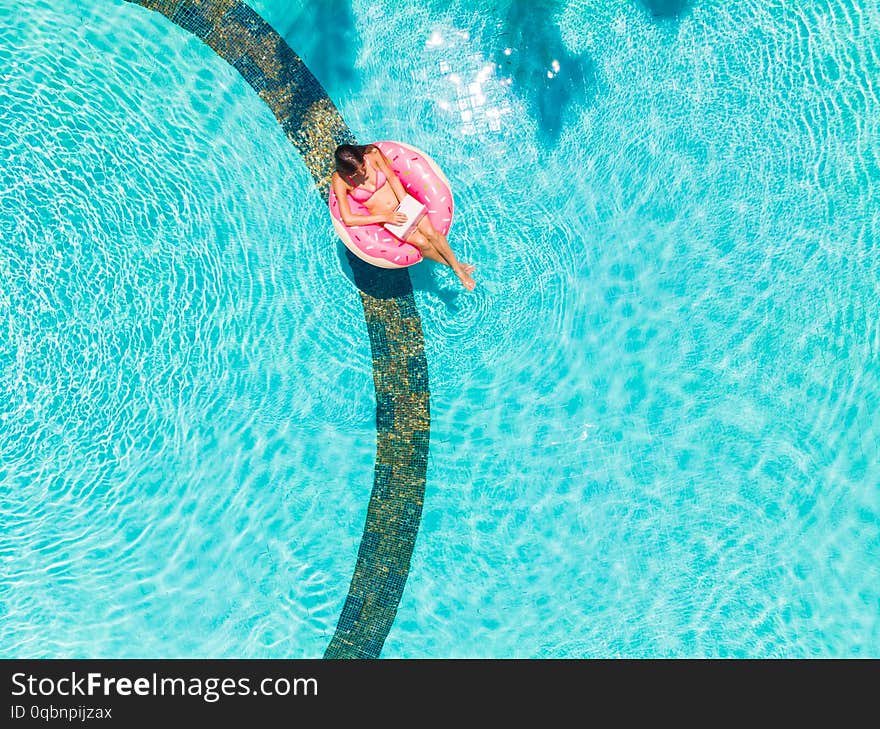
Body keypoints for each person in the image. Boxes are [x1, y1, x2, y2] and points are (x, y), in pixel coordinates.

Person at [331, 144, 476, 290]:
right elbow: (348, 218)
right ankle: (454, 266)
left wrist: (406, 205)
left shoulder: (372, 154)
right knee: (422, 242)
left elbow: (392, 178)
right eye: (356, 173)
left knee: (431, 233)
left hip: (403, 203)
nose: (363, 173)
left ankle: (459, 271)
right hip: (387, 219)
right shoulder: (340, 180)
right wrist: (386, 217)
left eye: (363, 166)